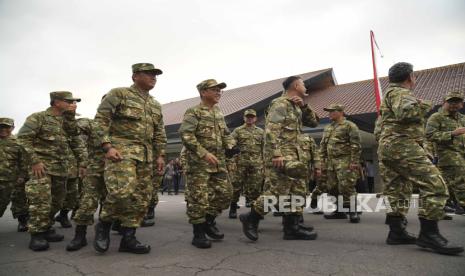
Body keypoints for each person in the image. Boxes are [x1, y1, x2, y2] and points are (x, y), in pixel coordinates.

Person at [378, 62, 463, 255]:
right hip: (401, 146)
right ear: (410, 77)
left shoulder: (390, 93)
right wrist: (425, 104)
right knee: (435, 185)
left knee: (397, 189)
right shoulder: (400, 92)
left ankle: (396, 232)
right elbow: (406, 113)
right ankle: (429, 235)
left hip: (391, 147)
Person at [92, 63, 166, 254]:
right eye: (148, 74)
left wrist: (160, 155)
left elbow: (159, 133)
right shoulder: (119, 94)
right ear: (135, 76)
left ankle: (128, 238)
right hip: (121, 151)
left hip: (146, 156)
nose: (153, 77)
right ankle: (104, 225)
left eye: (155, 75)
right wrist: (107, 147)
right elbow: (100, 121)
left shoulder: (155, 104)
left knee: (141, 198)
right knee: (121, 191)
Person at [240, 75, 319, 241]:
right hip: (281, 155)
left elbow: (313, 123)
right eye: (303, 83)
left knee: (297, 190)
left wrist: (303, 107)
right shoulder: (280, 104)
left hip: (295, 155)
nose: (305, 86)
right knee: (277, 191)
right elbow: (271, 130)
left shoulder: (296, 105)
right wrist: (276, 153)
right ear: (296, 85)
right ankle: (251, 217)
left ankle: (292, 228)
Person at [17, 91, 87, 251]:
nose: (72, 103)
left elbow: (76, 142)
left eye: (73, 101)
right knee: (41, 201)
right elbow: (23, 139)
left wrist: (83, 163)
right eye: (68, 101)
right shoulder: (39, 117)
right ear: (56, 102)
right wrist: (35, 161)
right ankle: (36, 235)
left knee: (57, 202)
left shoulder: (68, 122)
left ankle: (46, 227)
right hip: (41, 169)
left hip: (61, 169)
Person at [179, 79, 237, 249]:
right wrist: (203, 153)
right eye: (215, 89)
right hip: (198, 164)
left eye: (220, 90)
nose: (219, 92)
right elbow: (186, 135)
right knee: (199, 199)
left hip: (218, 162)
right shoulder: (193, 111)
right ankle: (198, 234)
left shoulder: (218, 112)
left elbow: (226, 133)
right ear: (203, 92)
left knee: (226, 194)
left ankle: (208, 221)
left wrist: (232, 146)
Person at [66, 117, 107, 251]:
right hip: (95, 168)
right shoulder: (92, 123)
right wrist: (69, 116)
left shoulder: (126, 124)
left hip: (119, 170)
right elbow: (75, 129)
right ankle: (80, 235)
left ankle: (105, 231)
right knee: (87, 201)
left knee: (113, 201)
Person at [319, 104, 362, 223]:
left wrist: (354, 162)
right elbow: (323, 146)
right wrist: (322, 162)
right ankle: (339, 211)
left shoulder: (350, 125)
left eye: (332, 111)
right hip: (331, 163)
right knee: (332, 187)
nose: (329, 114)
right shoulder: (328, 127)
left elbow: (356, 145)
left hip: (345, 161)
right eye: (329, 111)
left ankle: (353, 212)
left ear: (340, 112)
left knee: (346, 187)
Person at [426, 90, 465, 215]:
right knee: (460, 180)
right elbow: (430, 135)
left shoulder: (462, 118)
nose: (454, 104)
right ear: (444, 103)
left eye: (457, 101)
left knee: (445, 183)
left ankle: (443, 205)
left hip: (462, 153)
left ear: (461, 104)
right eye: (451, 101)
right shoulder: (436, 117)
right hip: (448, 155)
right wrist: (452, 133)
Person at [229, 109, 264, 219]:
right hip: (240, 164)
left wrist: (265, 162)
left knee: (256, 187)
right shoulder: (238, 131)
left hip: (256, 164)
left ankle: (255, 212)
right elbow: (231, 142)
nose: (250, 118)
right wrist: (231, 149)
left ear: (255, 119)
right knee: (236, 186)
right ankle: (233, 207)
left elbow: (265, 147)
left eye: (252, 117)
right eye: (247, 117)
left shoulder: (261, 132)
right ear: (244, 118)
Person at [0, 118, 29, 232]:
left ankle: (22, 222)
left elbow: (24, 161)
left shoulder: (18, 142)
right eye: (1, 127)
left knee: (20, 201)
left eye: (6, 127)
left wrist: (22, 176)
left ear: (12, 128)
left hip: (13, 179)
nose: (3, 129)